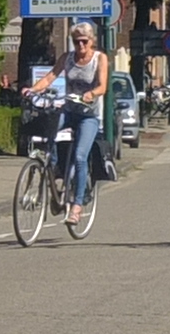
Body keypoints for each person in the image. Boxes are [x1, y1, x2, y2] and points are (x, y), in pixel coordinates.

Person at [24, 21, 110, 226]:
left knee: (80, 157)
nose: (80, 46)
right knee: (49, 131)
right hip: (69, 110)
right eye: (76, 42)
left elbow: (102, 86)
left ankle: (77, 207)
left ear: (92, 42)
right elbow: (51, 76)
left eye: (84, 42)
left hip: (88, 116)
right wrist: (33, 90)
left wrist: (92, 93)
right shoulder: (67, 58)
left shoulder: (100, 58)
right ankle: (52, 168)